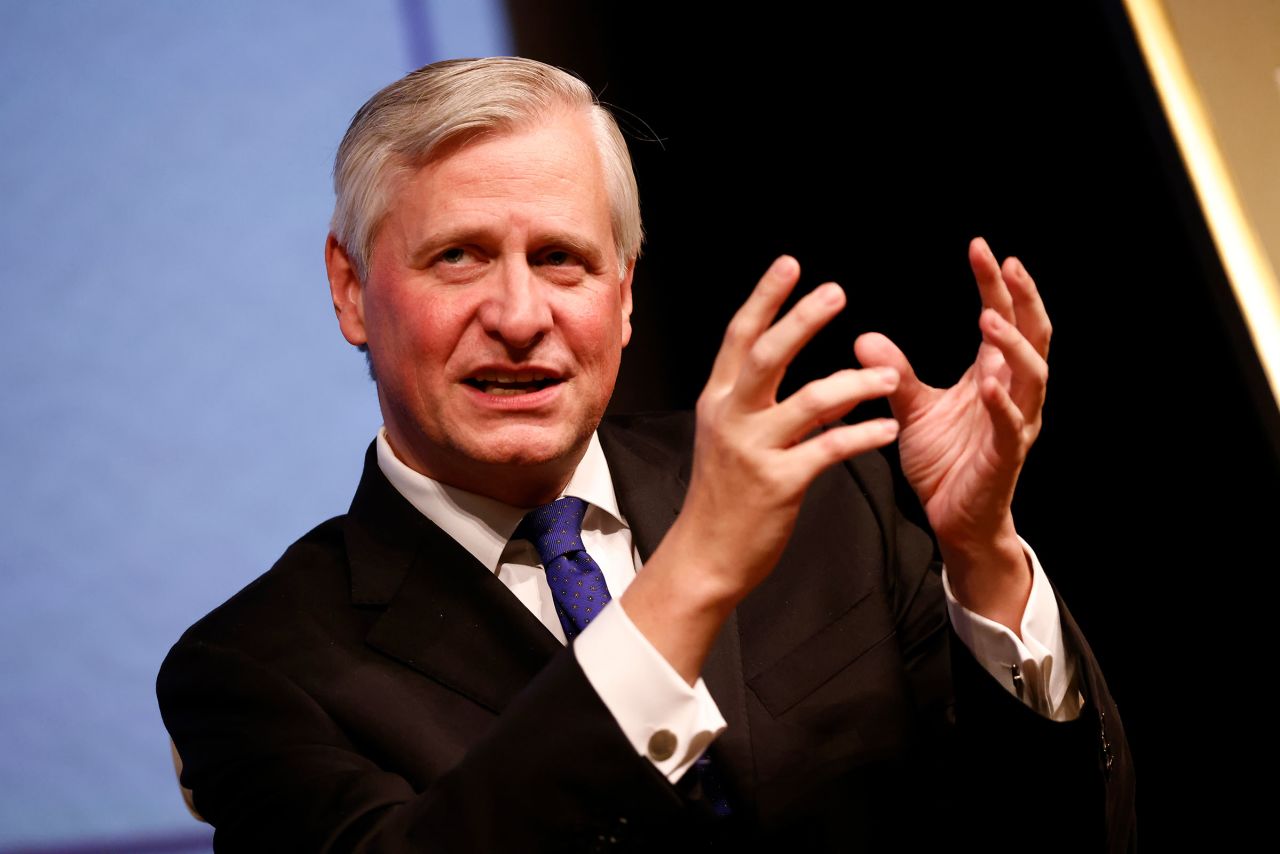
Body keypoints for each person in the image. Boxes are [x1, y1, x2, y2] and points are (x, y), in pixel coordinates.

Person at [158, 57, 1135, 852]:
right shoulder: (250, 670)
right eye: (456, 255)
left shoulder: (829, 492)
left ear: (624, 293)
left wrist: (981, 554)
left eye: (560, 258)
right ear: (349, 288)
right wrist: (696, 570)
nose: (516, 315)